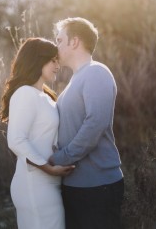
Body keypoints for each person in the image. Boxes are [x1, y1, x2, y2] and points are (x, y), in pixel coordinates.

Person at [49, 17, 124, 229]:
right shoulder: (76, 78)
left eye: (60, 39)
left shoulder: (96, 72)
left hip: (98, 187)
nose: (57, 46)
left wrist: (60, 158)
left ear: (74, 42)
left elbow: (95, 124)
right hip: (76, 185)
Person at [0, 37, 75, 229]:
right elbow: (16, 140)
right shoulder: (25, 93)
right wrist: (48, 168)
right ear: (37, 60)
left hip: (49, 183)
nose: (58, 65)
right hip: (35, 185)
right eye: (52, 60)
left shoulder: (46, 96)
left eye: (58, 60)